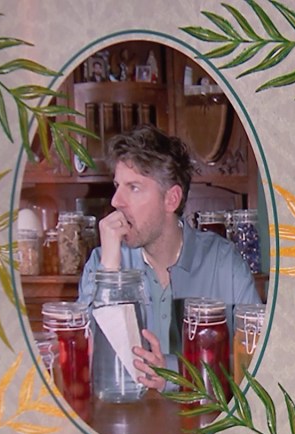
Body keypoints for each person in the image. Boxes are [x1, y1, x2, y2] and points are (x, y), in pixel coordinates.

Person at [78, 124, 261, 391]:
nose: (116, 201)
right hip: (126, 413)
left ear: (171, 199)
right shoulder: (103, 261)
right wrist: (110, 272)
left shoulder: (223, 263)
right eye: (117, 186)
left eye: (133, 187)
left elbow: (258, 359)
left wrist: (174, 371)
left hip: (207, 413)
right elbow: (85, 359)